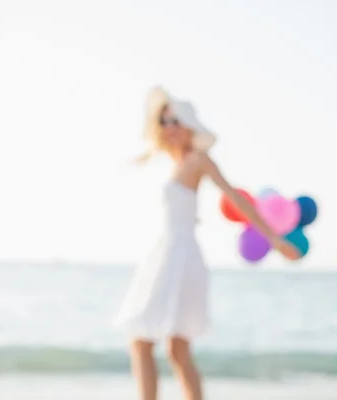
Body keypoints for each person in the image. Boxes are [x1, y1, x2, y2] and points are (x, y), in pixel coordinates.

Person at [114, 87, 299, 400]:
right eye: (164, 121)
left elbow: (235, 197)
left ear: (188, 123)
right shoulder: (174, 162)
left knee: (161, 343)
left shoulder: (198, 160)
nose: (169, 127)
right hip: (164, 253)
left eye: (175, 120)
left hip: (180, 256)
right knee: (169, 346)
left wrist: (274, 239)